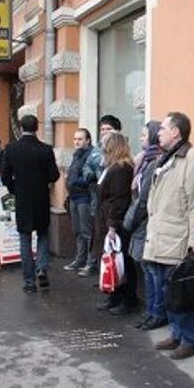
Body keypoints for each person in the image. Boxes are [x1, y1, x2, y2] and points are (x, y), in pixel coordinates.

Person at [144, 112, 194, 360]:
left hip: (178, 238)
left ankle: (191, 340)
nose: (158, 132)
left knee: (179, 292)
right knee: (165, 289)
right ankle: (177, 334)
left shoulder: (193, 160)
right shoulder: (168, 158)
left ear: (176, 132)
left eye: (162, 128)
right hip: (162, 235)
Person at [1, 115, 60, 293]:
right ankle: (41, 267)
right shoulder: (45, 149)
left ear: (20, 128)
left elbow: (4, 176)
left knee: (25, 238)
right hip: (41, 198)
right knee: (42, 234)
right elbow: (54, 175)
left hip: (22, 199)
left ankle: (28, 281)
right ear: (37, 128)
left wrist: (14, 189)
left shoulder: (11, 149)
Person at [123, 120, 164, 330]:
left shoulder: (154, 162)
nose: (140, 138)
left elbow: (143, 198)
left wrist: (129, 221)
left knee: (150, 270)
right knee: (146, 269)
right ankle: (151, 311)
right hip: (141, 222)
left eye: (144, 135)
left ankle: (156, 312)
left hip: (145, 223)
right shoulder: (145, 160)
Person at [92, 131, 136, 314]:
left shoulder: (121, 169)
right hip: (108, 218)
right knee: (113, 258)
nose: (102, 149)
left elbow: (120, 200)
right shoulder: (113, 167)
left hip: (115, 222)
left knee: (122, 260)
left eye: (105, 145)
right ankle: (114, 296)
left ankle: (127, 300)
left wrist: (112, 226)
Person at [77, 114, 122, 277]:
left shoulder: (120, 151)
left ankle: (110, 273)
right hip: (97, 199)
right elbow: (86, 167)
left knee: (108, 238)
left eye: (108, 129)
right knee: (96, 233)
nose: (104, 132)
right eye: (102, 129)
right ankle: (100, 269)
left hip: (111, 203)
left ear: (116, 131)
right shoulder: (96, 150)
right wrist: (91, 174)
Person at [64, 128, 94, 273]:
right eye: (75, 139)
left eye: (80, 139)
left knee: (86, 231)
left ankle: (90, 262)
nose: (76, 142)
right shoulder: (77, 154)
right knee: (77, 230)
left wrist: (74, 181)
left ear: (87, 140)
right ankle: (80, 259)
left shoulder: (91, 155)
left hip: (84, 198)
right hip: (74, 197)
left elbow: (90, 176)